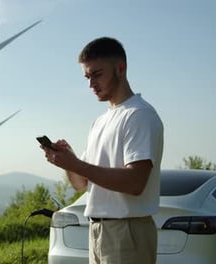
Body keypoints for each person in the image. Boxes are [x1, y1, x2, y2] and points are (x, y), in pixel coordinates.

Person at [40, 37, 163, 264]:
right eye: (87, 77)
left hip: (127, 232)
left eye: (97, 75)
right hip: (97, 231)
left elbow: (136, 182)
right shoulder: (100, 121)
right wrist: (68, 162)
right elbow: (83, 184)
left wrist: (76, 164)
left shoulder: (139, 115)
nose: (91, 84)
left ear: (121, 68)